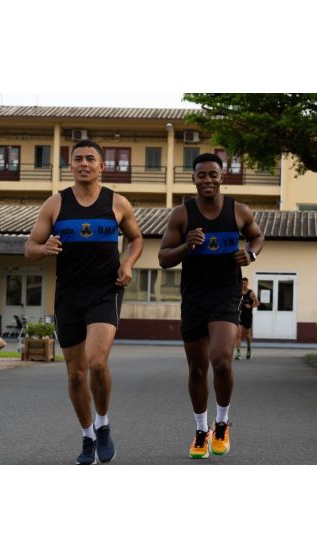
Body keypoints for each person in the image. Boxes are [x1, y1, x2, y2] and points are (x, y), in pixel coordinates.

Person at [24, 139, 143, 465]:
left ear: (102, 166)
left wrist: (128, 263)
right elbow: (29, 247)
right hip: (69, 295)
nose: (84, 164)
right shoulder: (55, 203)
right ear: (71, 165)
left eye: (91, 159)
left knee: (96, 362)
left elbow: (136, 239)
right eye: (78, 159)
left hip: (106, 291)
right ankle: (88, 434)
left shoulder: (117, 203)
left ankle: (103, 424)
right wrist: (44, 248)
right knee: (76, 374)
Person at [158, 153, 264, 459]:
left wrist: (252, 255)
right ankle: (201, 431)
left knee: (221, 360)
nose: (207, 180)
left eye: (213, 175)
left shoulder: (239, 211)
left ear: (222, 178)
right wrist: (186, 245)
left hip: (226, 295)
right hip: (193, 297)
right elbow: (163, 259)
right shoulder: (182, 215)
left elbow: (257, 237)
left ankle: (221, 423)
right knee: (197, 368)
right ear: (193, 179)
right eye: (201, 175)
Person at [235, 277, 259, 360]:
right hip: (239, 316)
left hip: (248, 316)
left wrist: (251, 306)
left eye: (245, 283)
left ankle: (249, 348)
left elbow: (257, 303)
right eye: (242, 283)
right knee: (238, 334)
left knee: (247, 335)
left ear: (247, 284)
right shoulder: (238, 292)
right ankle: (238, 352)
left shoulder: (251, 293)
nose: (243, 285)